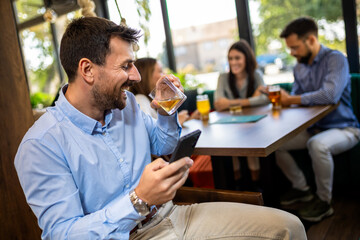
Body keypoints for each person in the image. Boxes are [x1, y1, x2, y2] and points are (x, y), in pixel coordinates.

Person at [15, 17, 307, 239]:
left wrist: (167, 110)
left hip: (174, 214)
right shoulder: (42, 144)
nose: (136, 75)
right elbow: (62, 234)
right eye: (126, 65)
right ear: (88, 70)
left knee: (288, 228)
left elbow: (164, 146)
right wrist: (138, 201)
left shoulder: (126, 103)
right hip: (127, 234)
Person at [275, 17, 360, 222]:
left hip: (344, 128)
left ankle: (324, 202)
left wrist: (291, 99)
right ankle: (302, 188)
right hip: (315, 128)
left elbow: (330, 95)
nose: (292, 53)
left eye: (295, 47)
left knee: (317, 145)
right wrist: (285, 101)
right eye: (290, 49)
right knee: (277, 144)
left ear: (311, 40)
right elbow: (295, 100)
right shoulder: (299, 67)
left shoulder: (336, 59)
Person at [131, 57, 213, 189]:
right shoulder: (140, 100)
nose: (164, 75)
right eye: (160, 71)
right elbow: (154, 138)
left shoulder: (147, 100)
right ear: (146, 76)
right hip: (166, 167)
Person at [214, 40, 269, 185]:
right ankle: (240, 189)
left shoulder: (255, 74)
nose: (233, 62)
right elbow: (219, 104)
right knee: (229, 151)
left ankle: (257, 187)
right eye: (230, 59)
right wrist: (251, 99)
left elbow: (265, 99)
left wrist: (230, 103)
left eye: (237, 58)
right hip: (231, 127)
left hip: (255, 125)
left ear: (246, 58)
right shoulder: (223, 77)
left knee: (255, 148)